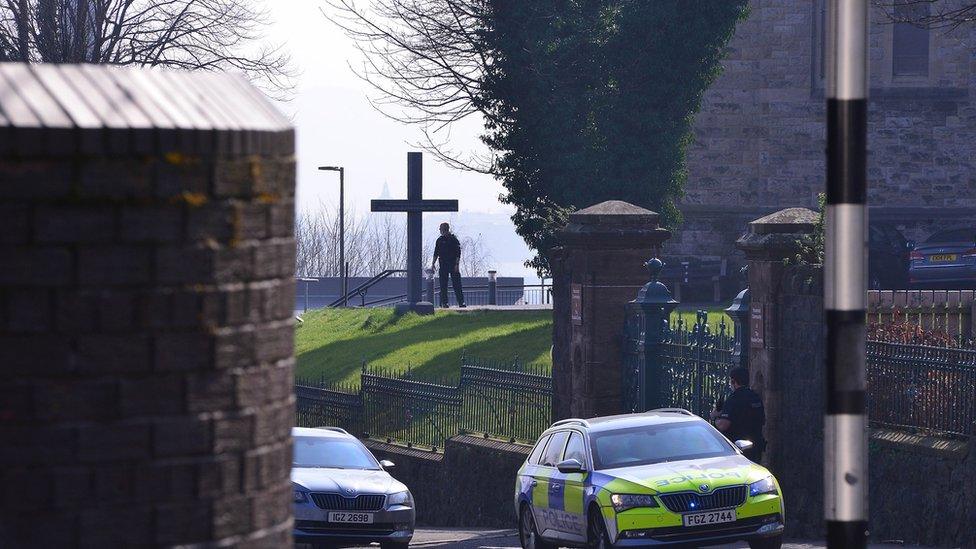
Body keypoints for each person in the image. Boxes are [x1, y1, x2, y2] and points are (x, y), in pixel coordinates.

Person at [710, 366, 766, 463]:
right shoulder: (755, 397)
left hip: (738, 448)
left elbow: (723, 425)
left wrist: (715, 420)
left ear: (733, 381)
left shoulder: (734, 399)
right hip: (756, 445)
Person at [432, 222, 465, 308]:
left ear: (444, 229)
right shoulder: (439, 240)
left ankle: (461, 302)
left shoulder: (453, 239)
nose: (439, 230)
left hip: (453, 264)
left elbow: (458, 253)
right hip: (443, 264)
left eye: (440, 229)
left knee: (456, 284)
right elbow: (436, 253)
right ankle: (445, 303)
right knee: (443, 285)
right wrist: (433, 263)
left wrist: (457, 264)